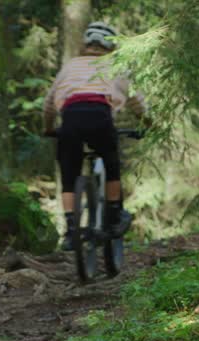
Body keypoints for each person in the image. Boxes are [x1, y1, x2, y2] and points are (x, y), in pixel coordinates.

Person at [43, 21, 147, 250]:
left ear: (86, 44)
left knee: (69, 174)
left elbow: (49, 103)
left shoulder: (70, 66)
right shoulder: (115, 65)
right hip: (100, 116)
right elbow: (135, 100)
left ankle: (71, 232)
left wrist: (49, 128)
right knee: (111, 163)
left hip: (70, 118)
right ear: (111, 46)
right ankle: (114, 216)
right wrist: (148, 122)